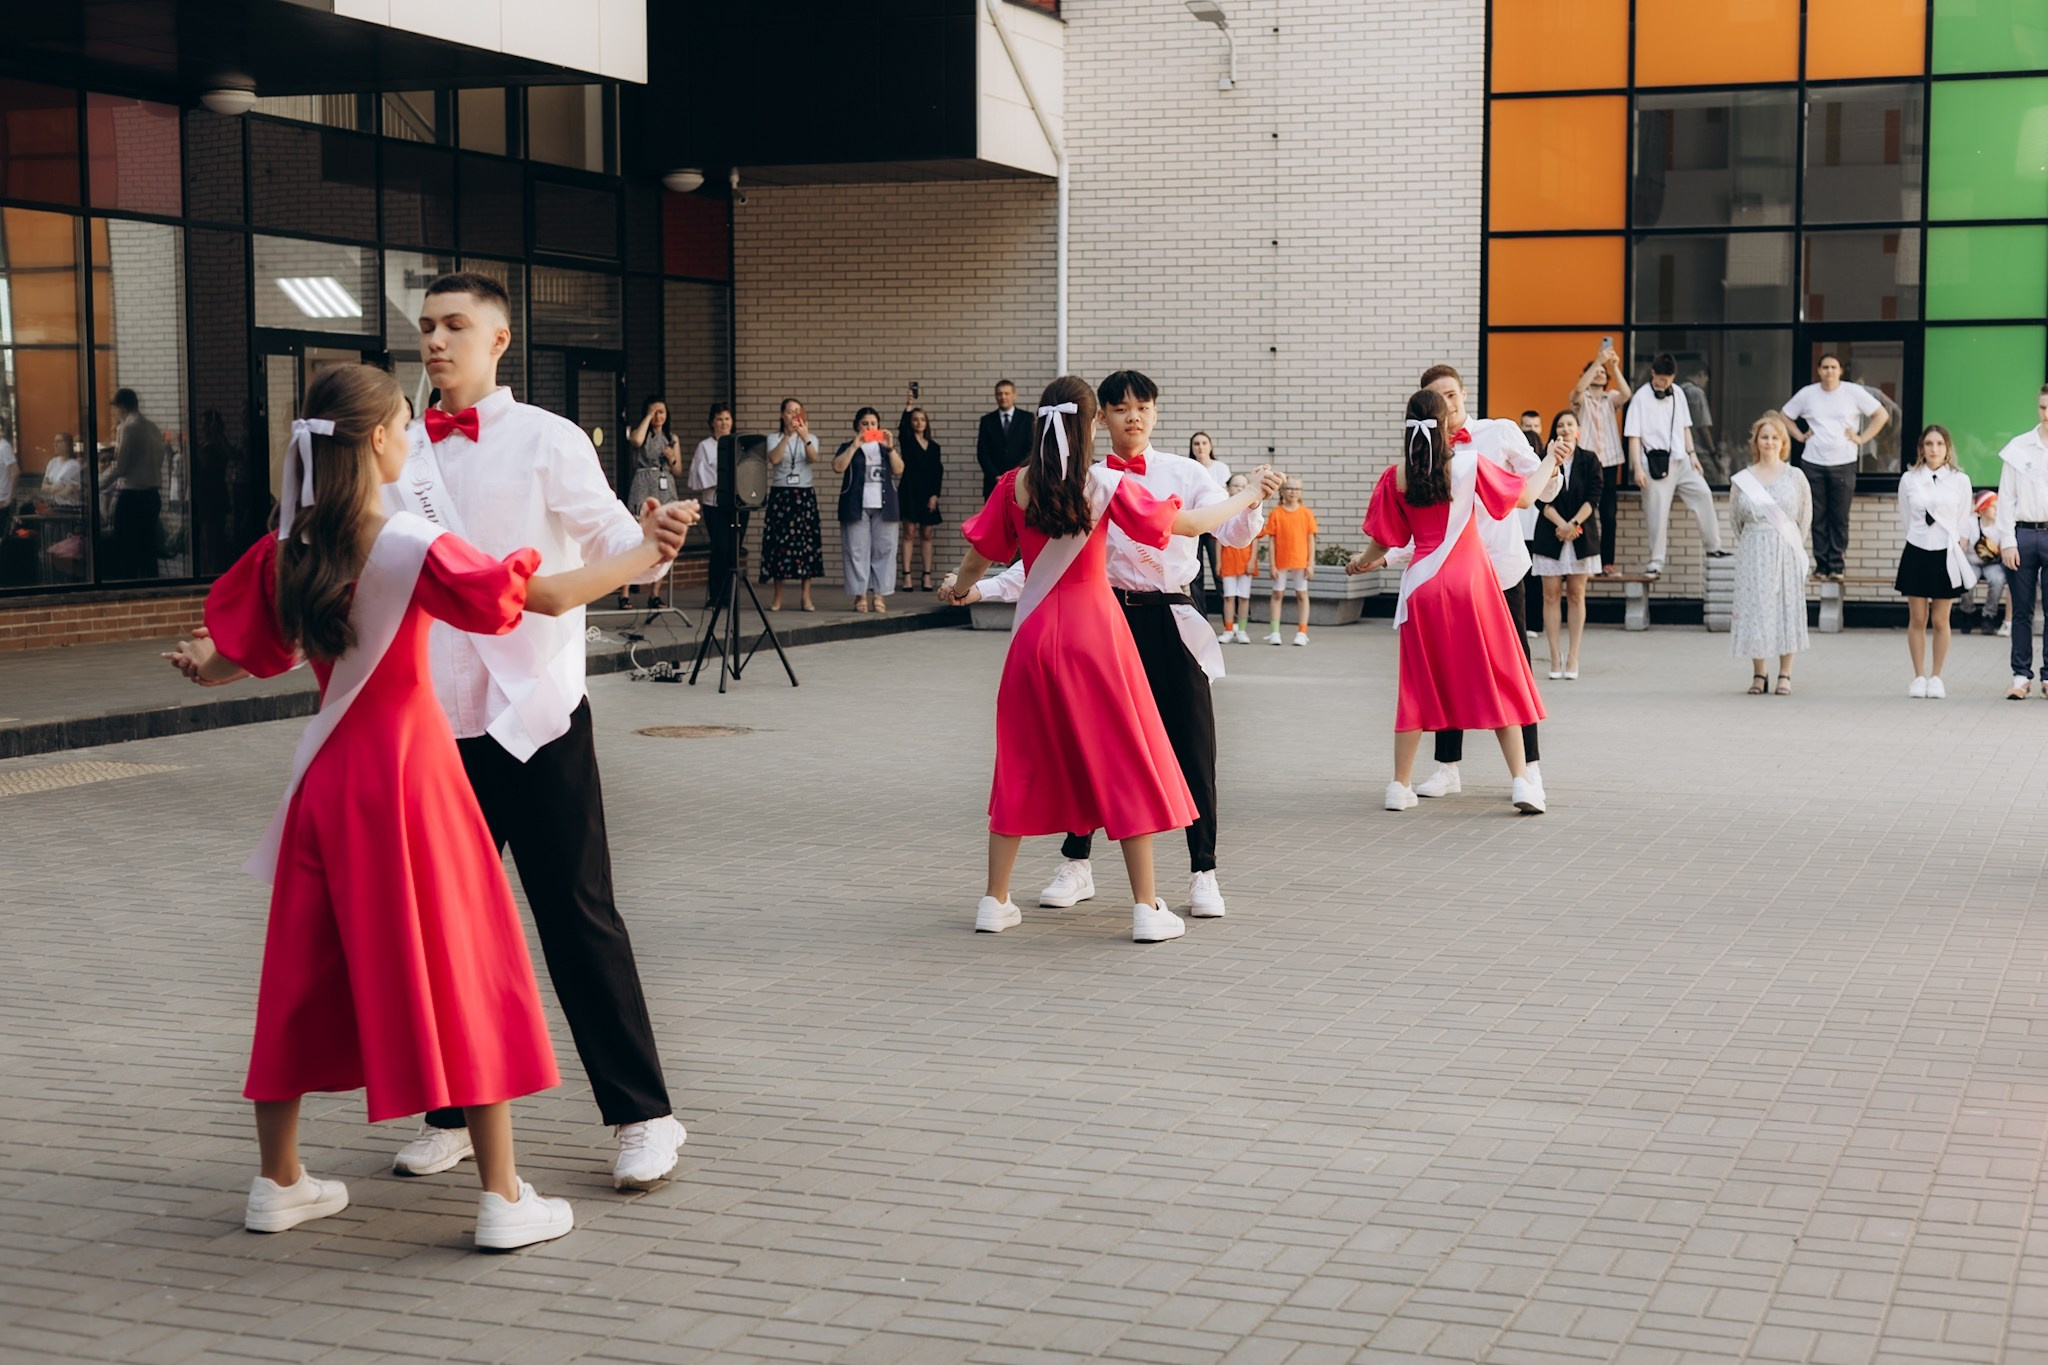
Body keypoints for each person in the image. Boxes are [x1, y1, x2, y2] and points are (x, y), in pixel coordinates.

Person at [162, 365, 678, 1249]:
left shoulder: (290, 545)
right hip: (411, 774)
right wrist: (649, 553)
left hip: (324, 783)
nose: (414, 436)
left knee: (296, 974)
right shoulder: (407, 545)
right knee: (466, 967)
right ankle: (504, 1197)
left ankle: (278, 1182)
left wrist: (197, 662)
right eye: (405, 423)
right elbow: (540, 597)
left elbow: (230, 658)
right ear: (376, 443)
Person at [939, 376, 1271, 943]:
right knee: (1123, 759)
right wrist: (1250, 494)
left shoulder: (1013, 486)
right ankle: (1146, 908)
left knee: (1018, 763)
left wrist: (957, 586)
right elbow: (1185, 526)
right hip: (1098, 634)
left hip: (1034, 638)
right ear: (1093, 423)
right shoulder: (1105, 482)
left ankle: (993, 903)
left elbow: (977, 562)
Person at [1347, 388, 1549, 815]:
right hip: (1471, 584)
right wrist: (1549, 461)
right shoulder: (1471, 464)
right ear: (1446, 425)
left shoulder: (1397, 475)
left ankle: (1399, 787)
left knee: (1418, 686)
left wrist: (1362, 564)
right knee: (1499, 677)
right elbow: (1525, 498)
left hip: (1420, 588)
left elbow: (1385, 539)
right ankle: (1522, 782)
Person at [1405, 365, 1559, 806]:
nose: (1449, 406)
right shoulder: (1422, 452)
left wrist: (1552, 467)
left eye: (1453, 395)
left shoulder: (1500, 432)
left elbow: (1541, 491)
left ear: (1464, 394)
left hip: (1501, 569)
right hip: (1447, 577)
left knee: (1515, 670)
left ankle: (1530, 771)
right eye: (1439, 400)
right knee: (1447, 665)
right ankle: (1447, 766)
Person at [1782, 355, 1887, 580]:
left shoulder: (1853, 392)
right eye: (1825, 367)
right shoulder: (1808, 394)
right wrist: (1800, 436)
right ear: (1818, 370)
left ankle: (1836, 566)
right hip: (1813, 462)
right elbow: (1785, 416)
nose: (1829, 371)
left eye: (1834, 367)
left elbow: (1882, 414)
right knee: (1817, 515)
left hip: (1844, 463)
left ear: (1840, 371)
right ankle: (1821, 566)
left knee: (1839, 516)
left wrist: (1862, 438)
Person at [1728, 411, 1811, 695]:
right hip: (1753, 550)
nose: (1770, 442)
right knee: (1756, 611)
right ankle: (1759, 673)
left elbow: (1804, 516)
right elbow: (1735, 520)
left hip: (1785, 550)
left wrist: (1791, 544)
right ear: (1756, 441)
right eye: (1764, 437)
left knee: (1785, 609)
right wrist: (1756, 540)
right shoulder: (1743, 479)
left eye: (1775, 437)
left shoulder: (1795, 476)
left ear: (1783, 441)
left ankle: (1785, 673)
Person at [1624, 353, 1725, 577]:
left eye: (1669, 379)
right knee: (1656, 514)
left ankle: (1714, 547)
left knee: (1703, 494)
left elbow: (1685, 427)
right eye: (1661, 380)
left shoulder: (1678, 393)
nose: (1665, 384)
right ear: (1653, 374)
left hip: (1682, 461)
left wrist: (1693, 455)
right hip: (1653, 464)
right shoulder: (1640, 399)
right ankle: (1656, 561)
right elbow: (1633, 436)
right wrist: (1637, 469)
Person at [1895, 425, 1975, 699]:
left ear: (1947, 448)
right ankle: (1918, 676)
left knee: (1941, 619)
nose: (1934, 449)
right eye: (1929, 443)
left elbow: (1963, 518)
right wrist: (1918, 536)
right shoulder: (1909, 478)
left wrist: (1958, 543)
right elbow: (1906, 515)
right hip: (1917, 549)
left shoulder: (1960, 480)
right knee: (1917, 618)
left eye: (1939, 444)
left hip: (1945, 551)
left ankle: (1937, 677)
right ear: (1921, 448)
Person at [1529, 409, 1602, 680]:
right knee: (1550, 595)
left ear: (1578, 430)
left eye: (1570, 424)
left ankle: (1573, 656)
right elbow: (1538, 497)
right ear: (1554, 431)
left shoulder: (1590, 459)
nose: (1566, 428)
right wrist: (1561, 524)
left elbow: (1594, 496)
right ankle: (1555, 656)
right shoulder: (1544, 460)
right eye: (1560, 424)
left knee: (1576, 594)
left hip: (1581, 535)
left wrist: (1573, 525)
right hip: (1551, 533)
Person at [1994, 384, 2048, 698]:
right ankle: (2020, 676)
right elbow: (2006, 499)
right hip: (2024, 535)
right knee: (2023, 610)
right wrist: (2007, 541)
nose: (2046, 414)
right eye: (2042, 407)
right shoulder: (2018, 447)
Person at [833, 407, 903, 613]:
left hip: (885, 505)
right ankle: (860, 595)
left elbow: (899, 470)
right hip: (855, 505)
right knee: (856, 550)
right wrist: (855, 445)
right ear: (857, 426)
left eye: (873, 424)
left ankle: (879, 595)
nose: (869, 427)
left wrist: (890, 448)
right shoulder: (849, 446)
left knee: (885, 550)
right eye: (865, 424)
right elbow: (838, 467)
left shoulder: (885, 448)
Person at [1569, 345, 1631, 574]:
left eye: (1602, 374)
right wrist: (1597, 362)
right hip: (1586, 461)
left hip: (1609, 461)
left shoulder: (1610, 398)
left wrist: (1612, 367)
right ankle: (1581, 561)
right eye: (1596, 371)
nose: (1599, 374)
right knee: (1582, 512)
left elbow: (1627, 394)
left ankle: (1607, 562)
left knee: (1608, 515)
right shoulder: (1581, 398)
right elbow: (1577, 391)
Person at [760, 398, 824, 612]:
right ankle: (778, 596)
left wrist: (804, 436)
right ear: (782, 415)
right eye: (790, 412)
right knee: (780, 546)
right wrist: (788, 437)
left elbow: (814, 458)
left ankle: (806, 596)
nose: (794, 415)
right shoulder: (774, 438)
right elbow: (775, 459)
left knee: (806, 545)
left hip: (804, 494)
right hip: (782, 495)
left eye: (798, 411)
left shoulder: (811, 437)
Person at [621, 396, 683, 610]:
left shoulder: (672, 438)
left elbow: (678, 470)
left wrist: (671, 458)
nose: (659, 416)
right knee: (636, 536)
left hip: (664, 483)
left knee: (664, 537)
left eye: (662, 412)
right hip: (643, 483)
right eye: (655, 411)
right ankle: (625, 592)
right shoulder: (642, 433)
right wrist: (648, 416)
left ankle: (655, 594)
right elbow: (636, 441)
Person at [108, 387, 166, 579]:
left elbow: (121, 467)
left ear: (122, 407)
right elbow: (159, 459)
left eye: (115, 408)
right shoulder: (153, 427)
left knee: (127, 551)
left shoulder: (127, 428)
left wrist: (98, 483)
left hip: (132, 497)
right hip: (152, 496)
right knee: (148, 550)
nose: (115, 413)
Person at [685, 402, 737, 611]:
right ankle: (715, 595)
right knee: (719, 548)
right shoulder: (705, 446)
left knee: (732, 550)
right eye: (719, 419)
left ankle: (730, 596)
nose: (723, 423)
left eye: (727, 419)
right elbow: (700, 475)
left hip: (735, 504)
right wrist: (725, 478)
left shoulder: (737, 443)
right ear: (712, 423)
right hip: (713, 503)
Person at [1259, 478, 1318, 646]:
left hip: (1300, 560)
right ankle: (1275, 632)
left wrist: (1310, 563)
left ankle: (1302, 632)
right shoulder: (1276, 513)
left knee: (1302, 594)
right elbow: (1271, 541)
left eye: (1297, 488)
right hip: (1281, 561)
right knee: (1277, 593)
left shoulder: (1306, 513)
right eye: (1289, 488)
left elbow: (1310, 539)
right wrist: (1272, 564)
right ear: (1282, 491)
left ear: (1301, 492)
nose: (1293, 491)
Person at [897, 393, 944, 592]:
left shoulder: (934, 447)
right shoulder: (907, 442)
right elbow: (901, 430)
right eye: (915, 419)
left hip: (928, 493)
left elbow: (937, 471)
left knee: (927, 533)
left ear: (927, 423)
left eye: (922, 419)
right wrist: (909, 407)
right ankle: (906, 576)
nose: (919, 422)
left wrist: (935, 495)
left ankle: (926, 576)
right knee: (908, 533)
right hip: (909, 491)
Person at [1188, 431, 1230, 610]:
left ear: (1210, 446)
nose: (1200, 447)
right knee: (1195, 574)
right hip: (1194, 526)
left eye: (1204, 443)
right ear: (1192, 448)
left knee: (1219, 570)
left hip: (1214, 525)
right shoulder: (1188, 467)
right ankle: (1200, 616)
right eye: (1196, 443)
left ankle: (1229, 620)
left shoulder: (1220, 468)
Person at [1215, 472, 1257, 642]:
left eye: (1243, 486)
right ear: (1228, 488)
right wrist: (1218, 561)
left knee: (1244, 596)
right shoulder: (1224, 509)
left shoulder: (1250, 510)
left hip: (1245, 560)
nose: (1239, 488)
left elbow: (1255, 538)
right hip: (1228, 560)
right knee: (1229, 596)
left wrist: (1252, 560)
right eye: (1236, 485)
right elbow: (1218, 538)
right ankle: (1228, 629)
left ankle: (1242, 630)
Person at [976, 379, 1033, 499]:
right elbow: (982, 453)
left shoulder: (1027, 419)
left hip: (1019, 482)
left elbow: (1030, 450)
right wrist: (996, 475)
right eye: (999, 394)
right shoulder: (986, 421)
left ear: (1014, 395)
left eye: (1006, 393)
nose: (1003, 397)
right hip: (993, 483)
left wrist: (1014, 474)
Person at [1969, 491, 2010, 637]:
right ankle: (1967, 611)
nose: (1997, 510)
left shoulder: (2000, 525)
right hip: (1972, 562)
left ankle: (1988, 616)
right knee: (1968, 580)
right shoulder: (1971, 523)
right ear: (1982, 509)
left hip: (1992, 563)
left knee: (1998, 580)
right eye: (1993, 507)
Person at [1682, 366, 1720, 484]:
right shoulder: (1696, 393)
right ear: (1701, 374)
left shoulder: (1678, 390)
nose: (1705, 383)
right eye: (1706, 379)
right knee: (1714, 479)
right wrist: (1712, 451)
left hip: (1679, 449)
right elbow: (1703, 426)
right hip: (1697, 448)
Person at [39, 434, 84, 506]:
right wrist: (58, 487)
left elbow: (67, 491)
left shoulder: (74, 465)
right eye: (55, 442)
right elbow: (43, 487)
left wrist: (51, 489)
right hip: (53, 505)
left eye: (59, 441)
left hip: (69, 506)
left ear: (68, 444)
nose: (55, 445)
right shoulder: (52, 462)